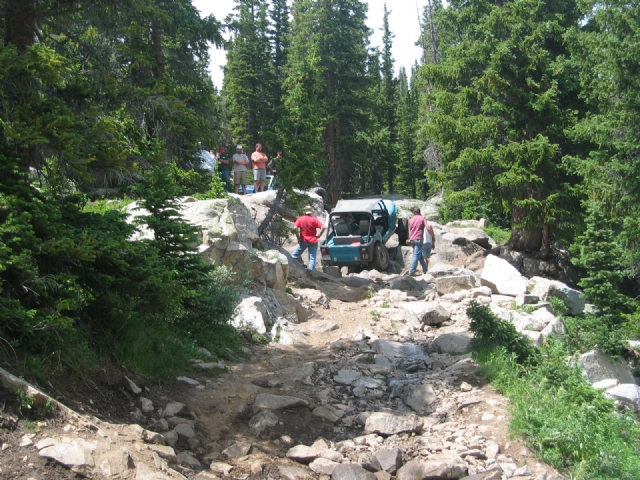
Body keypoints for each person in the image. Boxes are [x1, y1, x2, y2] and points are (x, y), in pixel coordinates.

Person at [406, 206, 436, 276]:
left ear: (414, 212)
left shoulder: (410, 220)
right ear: (419, 211)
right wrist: (432, 236)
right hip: (419, 239)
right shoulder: (422, 218)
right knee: (416, 255)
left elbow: (409, 231)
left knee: (420, 256)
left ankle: (425, 270)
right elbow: (428, 227)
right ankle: (411, 271)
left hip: (412, 239)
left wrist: (409, 239)